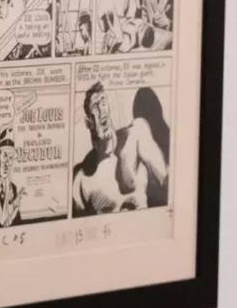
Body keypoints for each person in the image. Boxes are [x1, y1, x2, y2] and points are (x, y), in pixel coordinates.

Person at [71, 81, 170, 215]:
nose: (101, 111)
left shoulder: (136, 135)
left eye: (103, 102)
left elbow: (166, 183)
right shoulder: (81, 180)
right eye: (95, 106)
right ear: (88, 123)